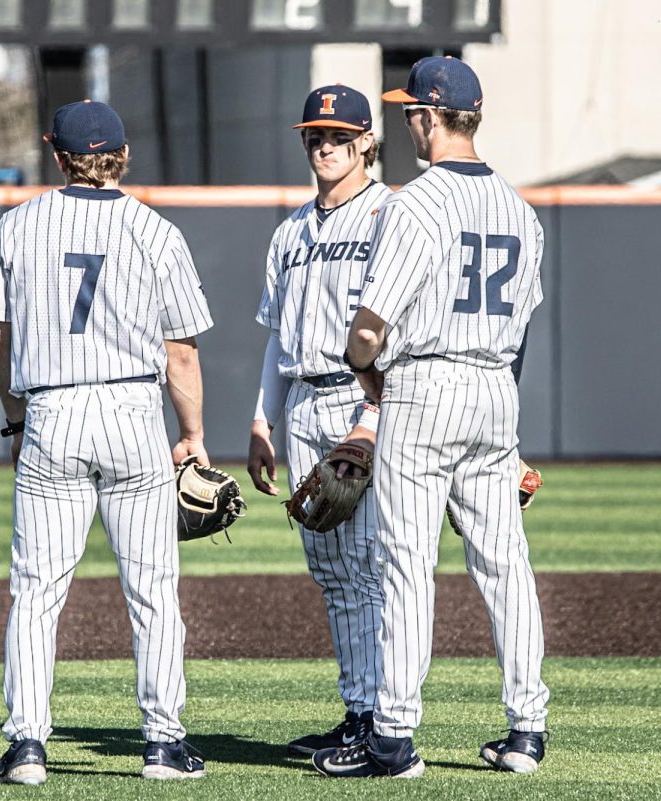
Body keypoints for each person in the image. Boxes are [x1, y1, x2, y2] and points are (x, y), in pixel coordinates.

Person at [313, 56, 550, 779]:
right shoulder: (520, 208)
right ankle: (526, 728)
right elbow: (525, 328)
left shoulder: (416, 201)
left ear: (426, 116)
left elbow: (369, 325)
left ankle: (392, 736)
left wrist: (365, 375)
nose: (406, 118)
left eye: (409, 110)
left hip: (425, 385)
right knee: (505, 562)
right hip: (494, 389)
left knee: (406, 564)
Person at [0, 100, 213, 785]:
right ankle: (164, 744)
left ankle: (25, 746)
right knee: (153, 590)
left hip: (53, 410)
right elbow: (182, 352)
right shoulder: (155, 230)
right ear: (125, 157)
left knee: (37, 590)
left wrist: (16, 420)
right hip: (134, 411)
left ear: (57, 155)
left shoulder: (17, 225)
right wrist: (192, 436)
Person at [247, 85, 389, 756]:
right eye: (315, 135)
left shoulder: (391, 215)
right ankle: (358, 708)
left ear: (367, 141)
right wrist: (261, 421)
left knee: (367, 566)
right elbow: (277, 338)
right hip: (303, 401)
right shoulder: (290, 231)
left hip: (362, 399)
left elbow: (400, 331)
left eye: (339, 135)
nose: (326, 145)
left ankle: (383, 720)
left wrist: (371, 415)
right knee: (331, 570)